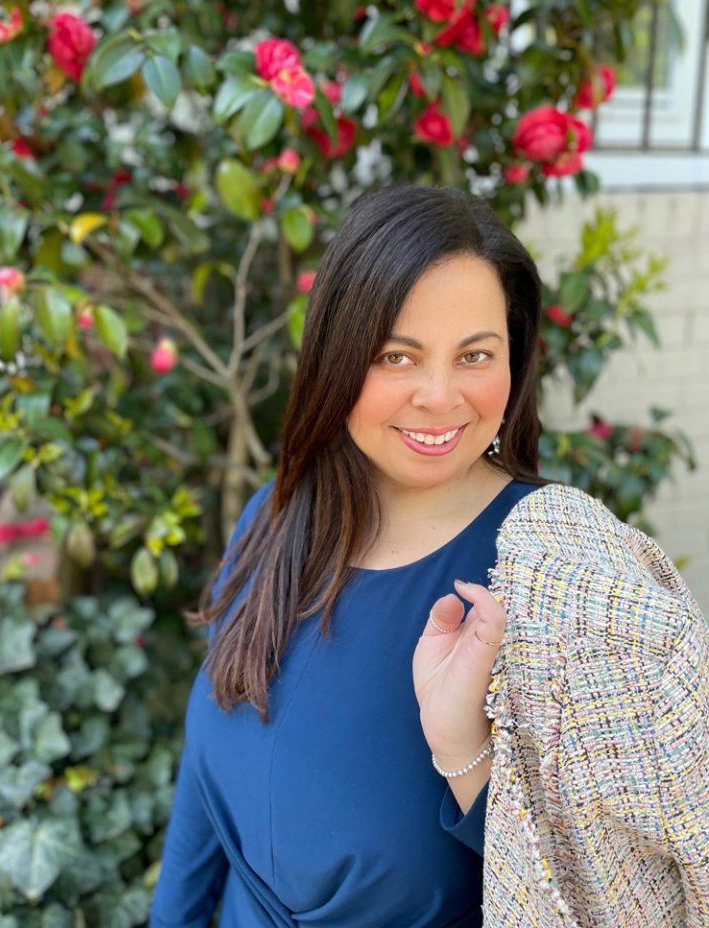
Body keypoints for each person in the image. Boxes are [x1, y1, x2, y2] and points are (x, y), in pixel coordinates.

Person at [149, 185, 709, 928]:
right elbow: (205, 763)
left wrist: (463, 751)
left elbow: (607, 886)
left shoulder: (554, 583)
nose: (440, 397)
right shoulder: (277, 516)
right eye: (396, 356)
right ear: (339, 359)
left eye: (475, 354)